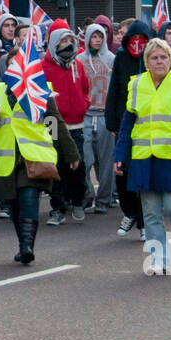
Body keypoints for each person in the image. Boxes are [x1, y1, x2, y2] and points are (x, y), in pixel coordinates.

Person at [113, 39, 171, 275]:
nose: (159, 61)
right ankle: (158, 259)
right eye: (154, 58)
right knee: (151, 212)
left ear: (170, 59)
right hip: (144, 157)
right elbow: (127, 123)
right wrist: (120, 154)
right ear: (146, 62)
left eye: (163, 57)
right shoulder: (136, 85)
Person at [0, 77, 78, 265]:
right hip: (7, 160)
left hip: (32, 157)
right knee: (15, 204)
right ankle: (22, 244)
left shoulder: (39, 90)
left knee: (28, 197)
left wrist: (68, 152)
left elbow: (53, 122)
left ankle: (27, 247)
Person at [104, 20, 154, 239]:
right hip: (125, 124)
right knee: (121, 172)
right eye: (132, 40)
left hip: (148, 125)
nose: (137, 44)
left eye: (141, 40)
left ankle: (144, 223)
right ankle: (130, 212)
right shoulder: (122, 59)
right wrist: (112, 122)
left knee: (141, 175)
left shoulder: (153, 58)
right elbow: (114, 88)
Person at [41, 20, 90, 225]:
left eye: (71, 40)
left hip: (76, 124)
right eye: (63, 41)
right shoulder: (43, 67)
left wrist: (82, 105)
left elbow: (86, 89)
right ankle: (58, 207)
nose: (68, 44)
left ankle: (78, 201)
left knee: (77, 165)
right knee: (57, 167)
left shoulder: (77, 64)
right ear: (54, 42)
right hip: (53, 122)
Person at [78, 22, 116, 216]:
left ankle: (104, 198)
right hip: (85, 114)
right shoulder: (79, 60)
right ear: (87, 38)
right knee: (85, 158)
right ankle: (87, 193)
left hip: (104, 114)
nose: (97, 40)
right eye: (94, 36)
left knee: (107, 159)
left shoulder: (112, 59)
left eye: (100, 36)